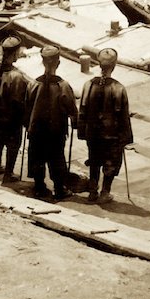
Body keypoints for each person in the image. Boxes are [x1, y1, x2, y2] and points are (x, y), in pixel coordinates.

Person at [77, 48, 133, 204]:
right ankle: (105, 192)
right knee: (111, 163)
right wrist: (125, 138)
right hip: (111, 135)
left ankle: (92, 191)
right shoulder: (118, 88)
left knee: (94, 160)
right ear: (114, 65)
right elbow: (124, 116)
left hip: (92, 133)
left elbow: (82, 110)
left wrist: (82, 132)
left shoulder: (89, 84)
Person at [25, 46, 77, 199]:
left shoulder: (33, 84)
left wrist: (28, 125)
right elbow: (72, 109)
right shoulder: (63, 86)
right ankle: (59, 189)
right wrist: (75, 121)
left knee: (37, 157)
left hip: (36, 129)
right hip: (56, 130)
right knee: (57, 158)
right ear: (58, 62)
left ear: (42, 62)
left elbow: (27, 107)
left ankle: (39, 187)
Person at [0, 35, 29, 183]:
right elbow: (19, 101)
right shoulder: (17, 76)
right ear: (15, 53)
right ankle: (8, 174)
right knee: (12, 145)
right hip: (10, 119)